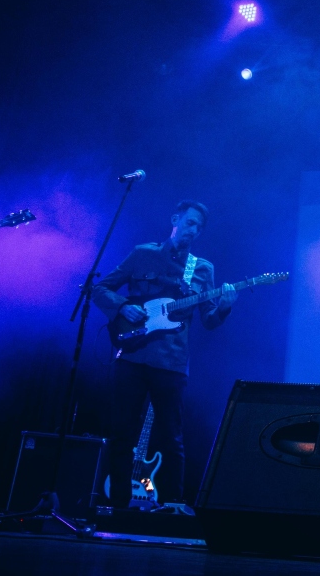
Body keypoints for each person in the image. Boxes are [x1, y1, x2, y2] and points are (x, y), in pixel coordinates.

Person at [92, 200, 237, 509]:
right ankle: (117, 506)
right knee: (121, 433)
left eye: (199, 227)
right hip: (132, 356)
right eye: (190, 222)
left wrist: (225, 307)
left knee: (172, 437)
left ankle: (172, 505)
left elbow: (209, 320)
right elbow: (101, 288)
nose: (193, 230)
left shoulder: (202, 268)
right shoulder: (142, 253)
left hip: (171, 362)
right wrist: (122, 307)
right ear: (175, 219)